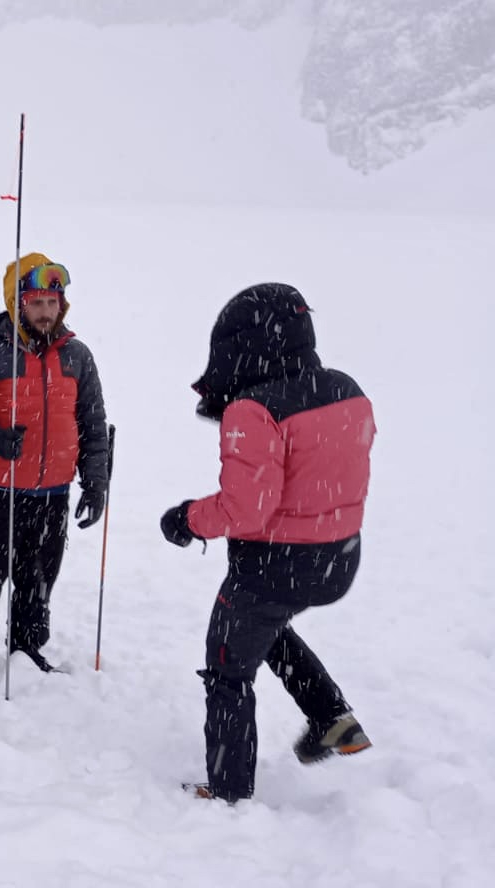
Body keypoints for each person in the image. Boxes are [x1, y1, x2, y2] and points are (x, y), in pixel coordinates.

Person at [160, 283, 375, 803]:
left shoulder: (253, 409)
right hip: (338, 558)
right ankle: (332, 719)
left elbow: (245, 508)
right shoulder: (346, 388)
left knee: (227, 666)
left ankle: (229, 791)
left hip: (274, 565)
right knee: (267, 627)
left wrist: (187, 519)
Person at [0, 253, 110, 679]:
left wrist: (95, 483)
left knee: (39, 581)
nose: (46, 312)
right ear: (17, 304)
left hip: (54, 492)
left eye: (53, 302)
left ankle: (27, 651)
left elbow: (92, 425)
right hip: (1, 492)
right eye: (36, 303)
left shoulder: (77, 356)